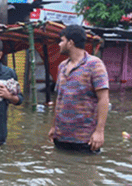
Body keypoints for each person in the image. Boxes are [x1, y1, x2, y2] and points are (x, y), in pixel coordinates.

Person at [47, 24, 109, 153]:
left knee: (84, 170)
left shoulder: (94, 64)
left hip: (84, 139)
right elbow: (59, 98)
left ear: (70, 42)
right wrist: (53, 127)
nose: (59, 44)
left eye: (62, 40)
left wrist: (99, 132)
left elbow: (103, 99)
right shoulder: (62, 66)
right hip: (61, 136)